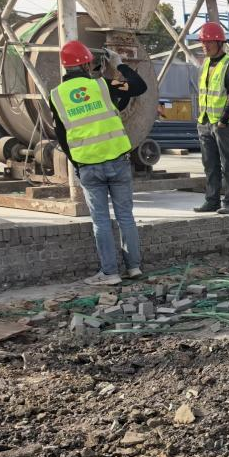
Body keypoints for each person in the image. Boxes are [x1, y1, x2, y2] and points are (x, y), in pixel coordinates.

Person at [48, 40, 147, 287]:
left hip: (89, 165)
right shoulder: (104, 85)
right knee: (125, 216)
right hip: (118, 160)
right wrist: (119, 65)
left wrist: (76, 163)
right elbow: (139, 86)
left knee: (101, 221)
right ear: (87, 64)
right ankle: (133, 267)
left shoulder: (57, 96)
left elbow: (61, 135)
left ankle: (110, 273)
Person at [192, 21, 229, 216]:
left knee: (228, 164)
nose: (204, 46)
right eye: (202, 42)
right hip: (206, 122)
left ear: (219, 42)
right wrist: (202, 121)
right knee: (210, 164)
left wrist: (223, 120)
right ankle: (212, 200)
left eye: (208, 42)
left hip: (225, 124)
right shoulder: (205, 64)